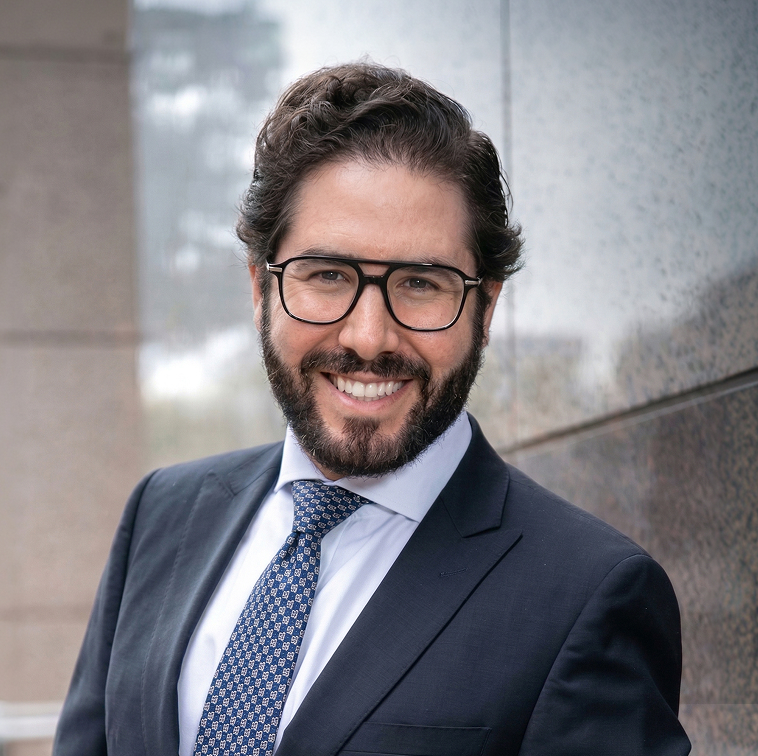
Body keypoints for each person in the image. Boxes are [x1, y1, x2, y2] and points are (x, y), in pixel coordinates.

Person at [54, 62, 691, 756]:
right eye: (328, 275)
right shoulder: (162, 515)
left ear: (485, 309)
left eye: (420, 283)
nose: (367, 337)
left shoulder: (588, 594)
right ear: (260, 289)